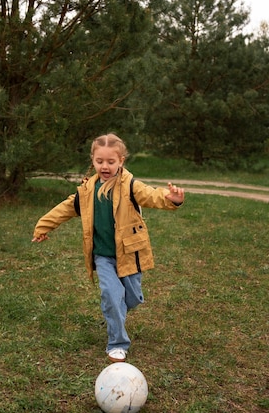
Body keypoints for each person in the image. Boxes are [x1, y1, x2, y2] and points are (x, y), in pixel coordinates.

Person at [32, 133, 185, 363]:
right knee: (111, 295)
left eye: (111, 162)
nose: (105, 166)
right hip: (103, 256)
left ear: (121, 161)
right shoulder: (86, 192)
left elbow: (152, 195)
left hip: (130, 254)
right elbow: (65, 208)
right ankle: (117, 343)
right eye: (99, 161)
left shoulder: (130, 186)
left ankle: (117, 309)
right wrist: (42, 226)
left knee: (130, 299)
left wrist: (172, 198)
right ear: (93, 160)